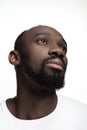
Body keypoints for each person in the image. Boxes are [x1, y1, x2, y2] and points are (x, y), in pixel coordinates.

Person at [0, 25, 87, 130]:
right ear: (15, 57)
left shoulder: (82, 118)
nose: (59, 51)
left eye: (63, 48)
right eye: (43, 41)